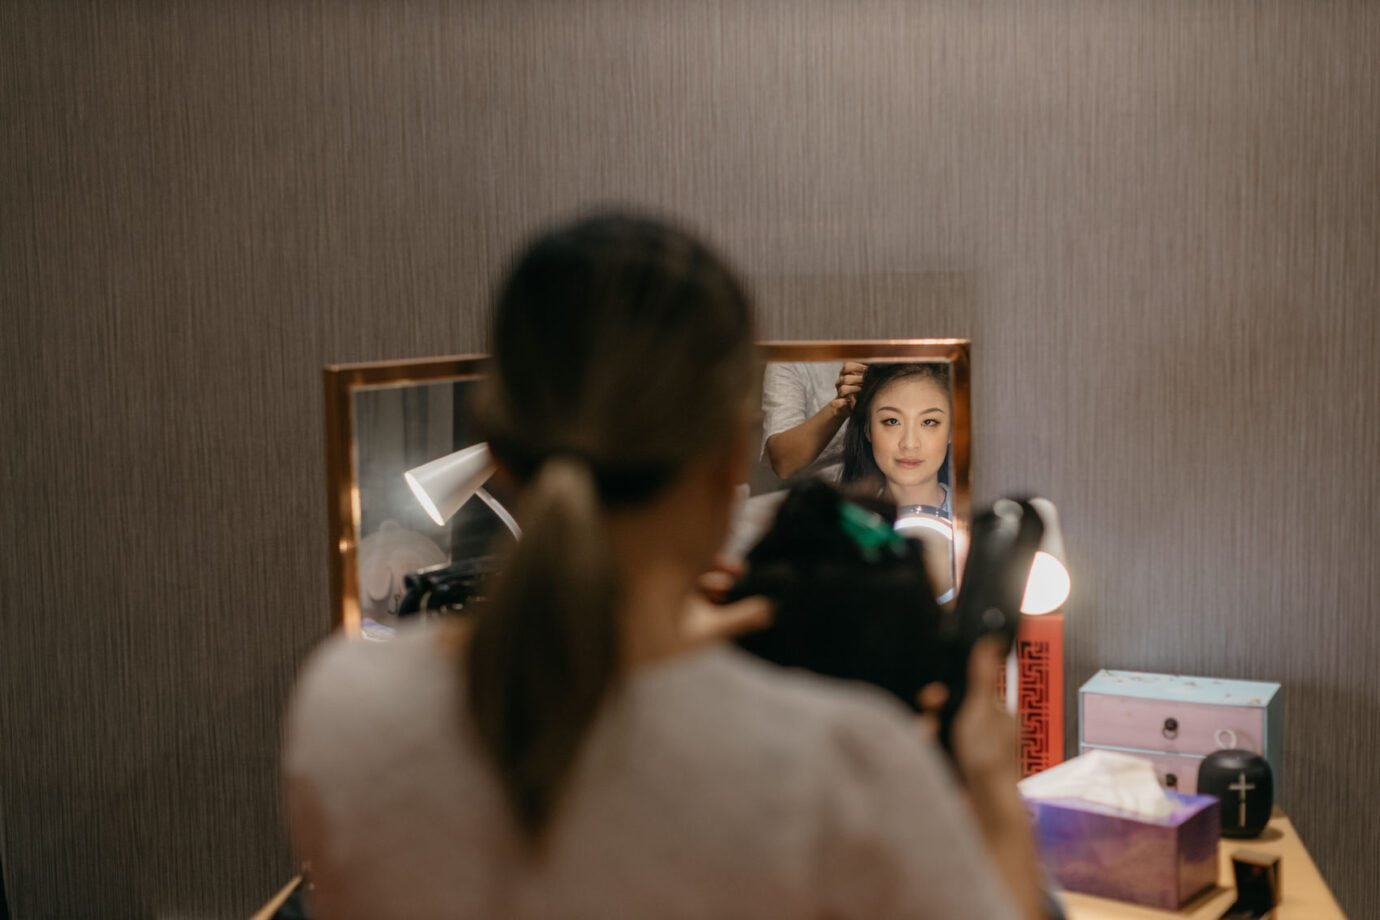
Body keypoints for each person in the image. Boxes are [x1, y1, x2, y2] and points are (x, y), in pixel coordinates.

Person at [282, 214, 1043, 919]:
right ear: (724, 465)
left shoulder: (340, 707)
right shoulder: (840, 771)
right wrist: (987, 787)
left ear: (495, 448)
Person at [841, 362, 953, 515]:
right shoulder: (848, 524)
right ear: (868, 429)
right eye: (892, 421)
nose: (909, 444)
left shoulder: (974, 520)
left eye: (929, 422)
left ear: (952, 431)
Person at [760, 360, 868, 482]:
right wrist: (839, 408)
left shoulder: (889, 348)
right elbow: (783, 462)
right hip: (818, 490)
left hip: (883, 487)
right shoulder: (792, 358)